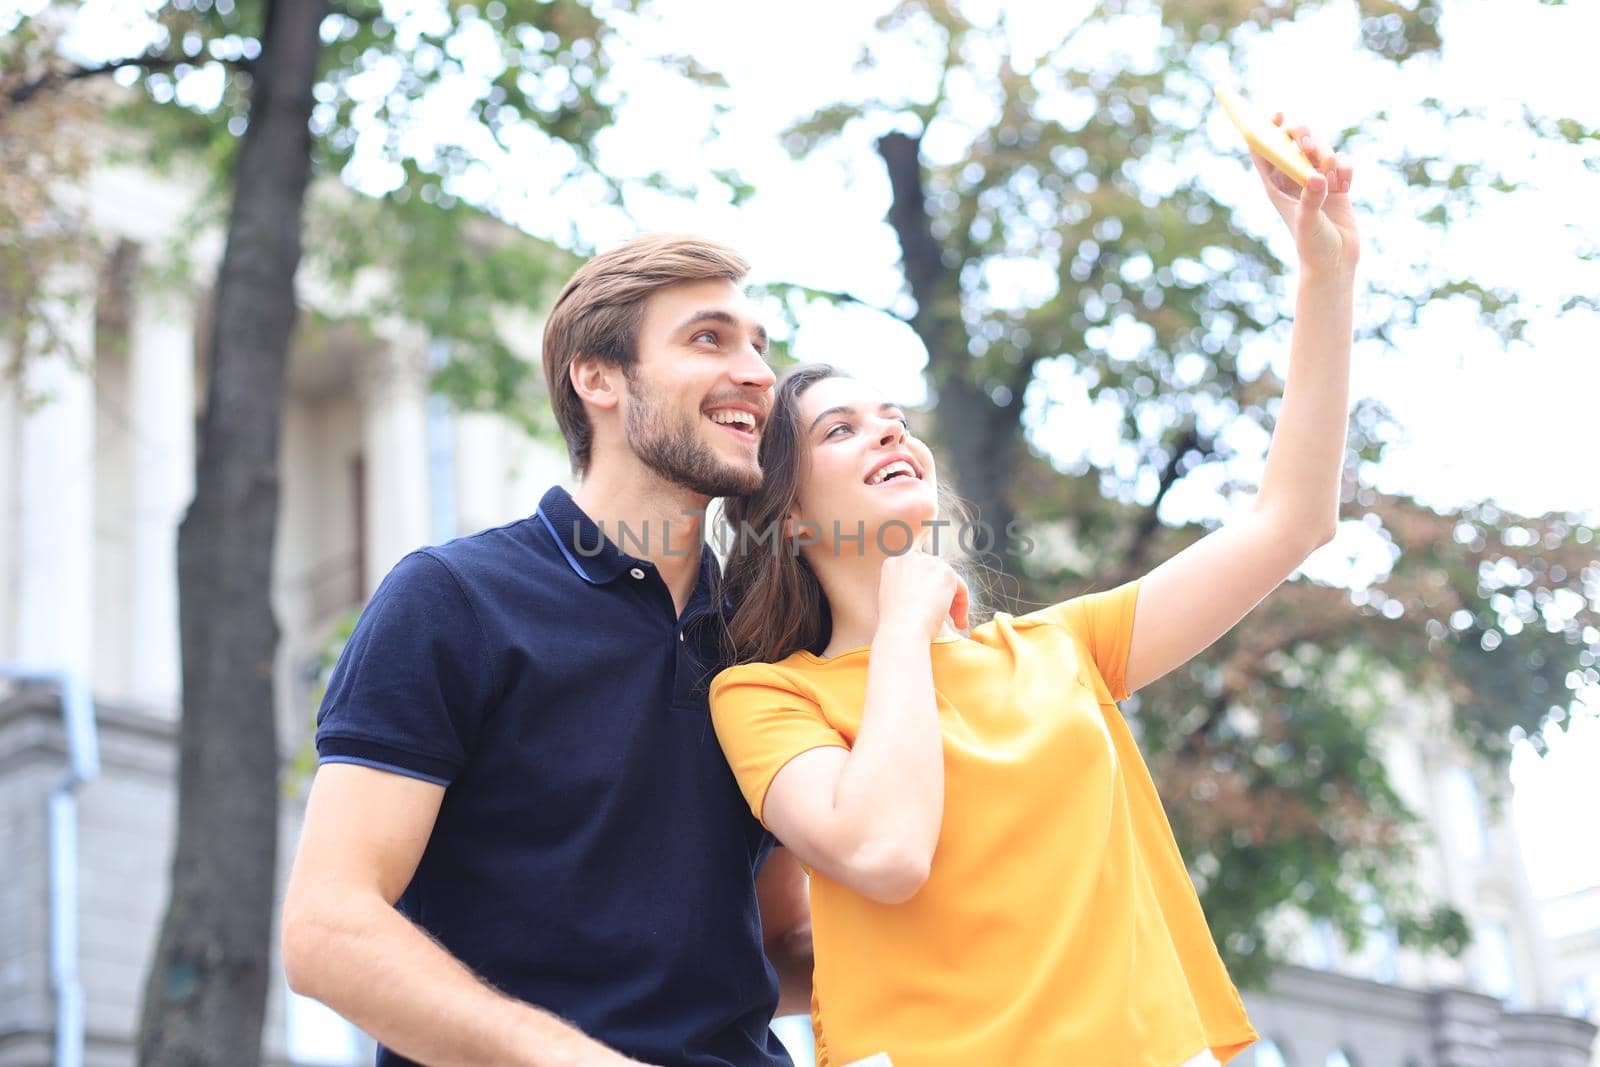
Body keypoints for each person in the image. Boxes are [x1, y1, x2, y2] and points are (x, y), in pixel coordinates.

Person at [708, 118, 1358, 1066]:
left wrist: (1326, 273)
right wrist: (904, 626)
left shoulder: (1061, 649)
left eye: (894, 419)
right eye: (842, 431)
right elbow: (884, 854)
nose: (891, 434)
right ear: (792, 518)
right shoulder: (768, 696)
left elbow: (1292, 519)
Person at [281, 234, 811, 1067]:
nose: (756, 373)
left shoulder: (764, 638)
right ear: (597, 377)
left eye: (759, 347)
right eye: (709, 338)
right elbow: (326, 929)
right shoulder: (452, 599)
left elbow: (778, 941)